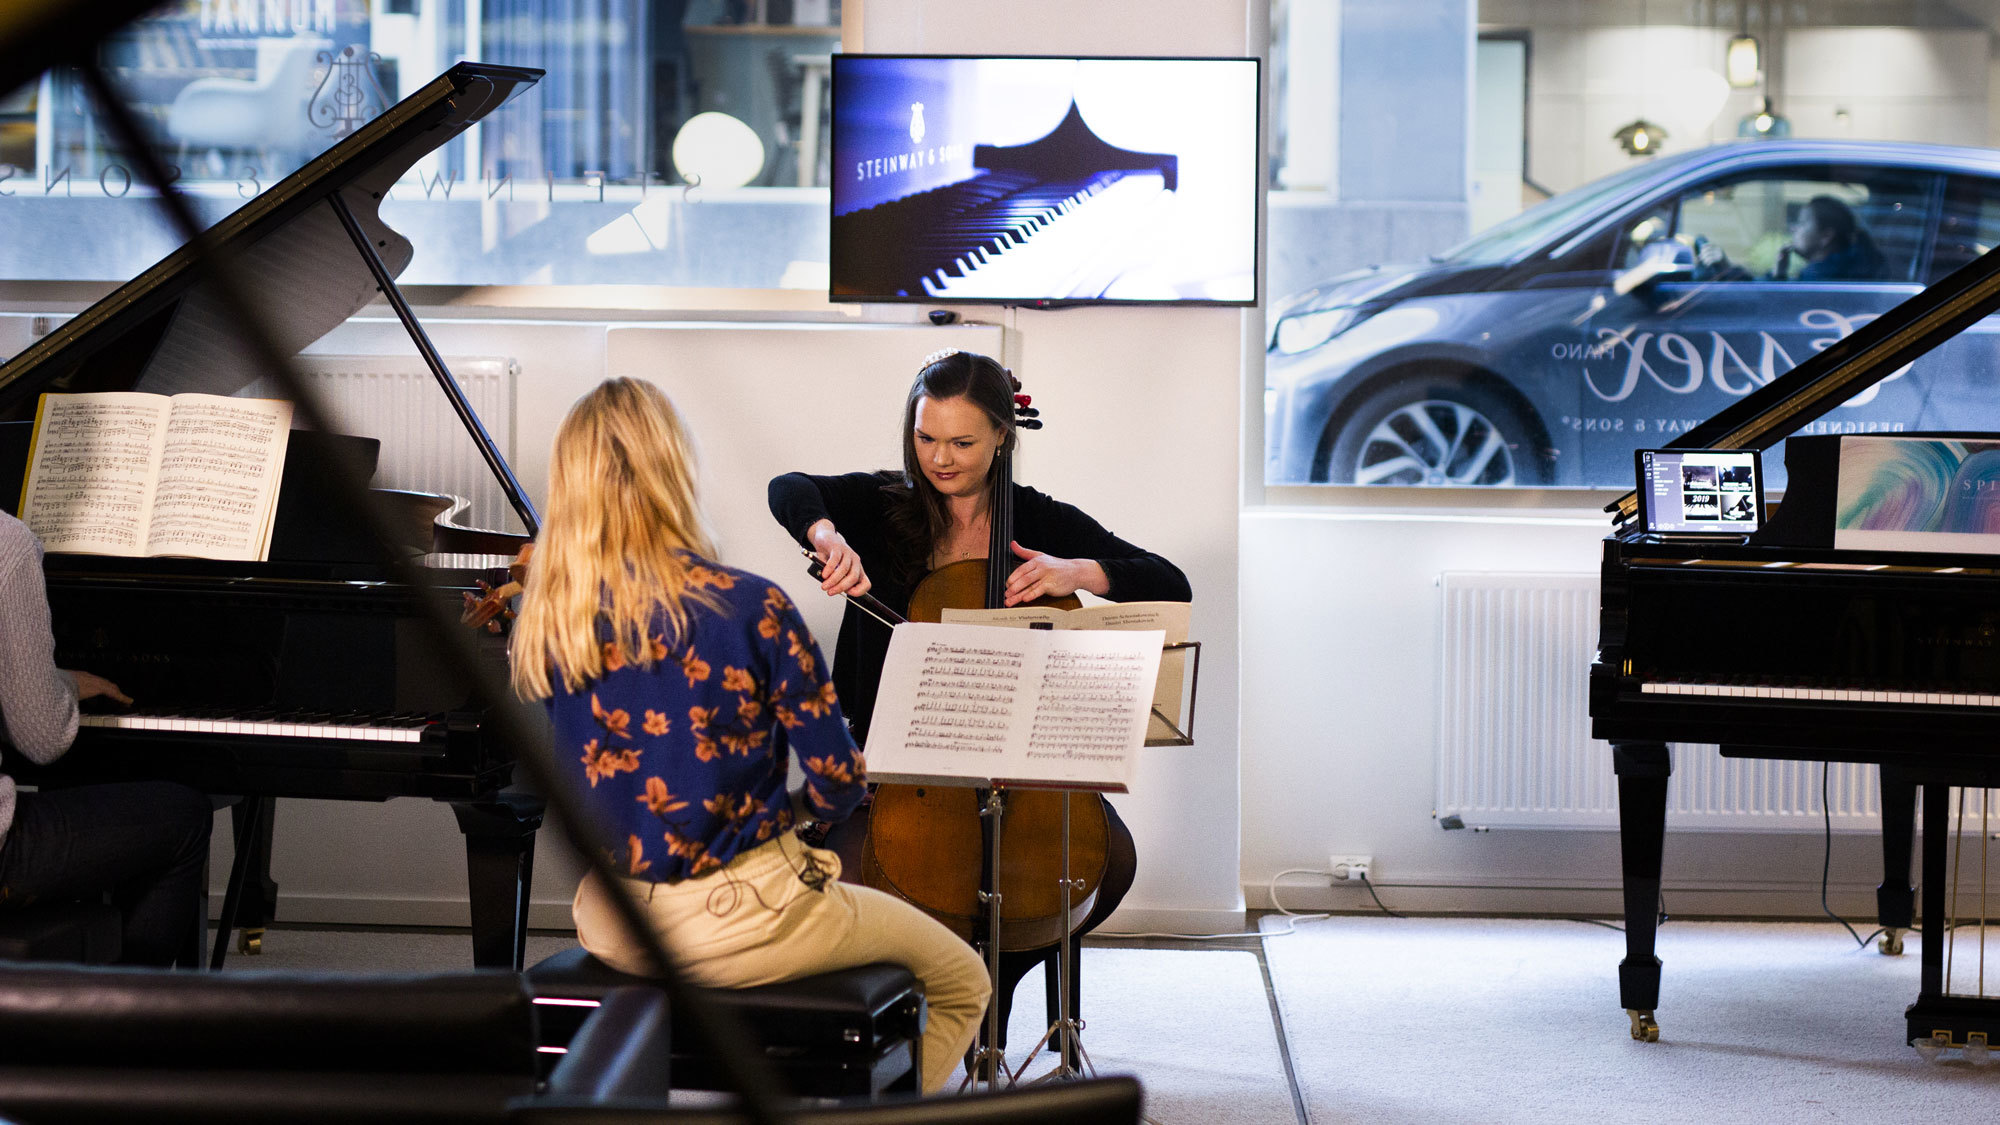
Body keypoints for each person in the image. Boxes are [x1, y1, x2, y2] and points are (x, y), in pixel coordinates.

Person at [510, 377, 988, 1095]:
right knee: (962, 978)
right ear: (676, 469)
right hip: (740, 922)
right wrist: (793, 812)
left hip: (610, 919)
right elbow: (838, 783)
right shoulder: (751, 606)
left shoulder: (551, 617)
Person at [766, 348, 1191, 1053]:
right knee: (849, 875)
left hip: (1016, 764)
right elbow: (789, 487)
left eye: (963, 441)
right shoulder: (882, 507)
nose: (940, 458)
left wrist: (1077, 568)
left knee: (1110, 858)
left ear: (1003, 434)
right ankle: (914, 1011)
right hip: (897, 765)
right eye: (925, 437)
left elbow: (1168, 581)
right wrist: (826, 534)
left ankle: (1003, 975)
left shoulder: (1038, 522)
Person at [0, 511, 214, 967]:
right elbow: (42, 737)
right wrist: (63, 686)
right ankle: (120, 1026)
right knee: (186, 817)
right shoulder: (7, 543)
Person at [1696, 194, 1886, 282]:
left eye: (1802, 223)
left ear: (1826, 236)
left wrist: (1726, 270)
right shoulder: (1838, 270)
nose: (1794, 228)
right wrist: (1779, 274)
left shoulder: (1821, 278)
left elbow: (1765, 306)